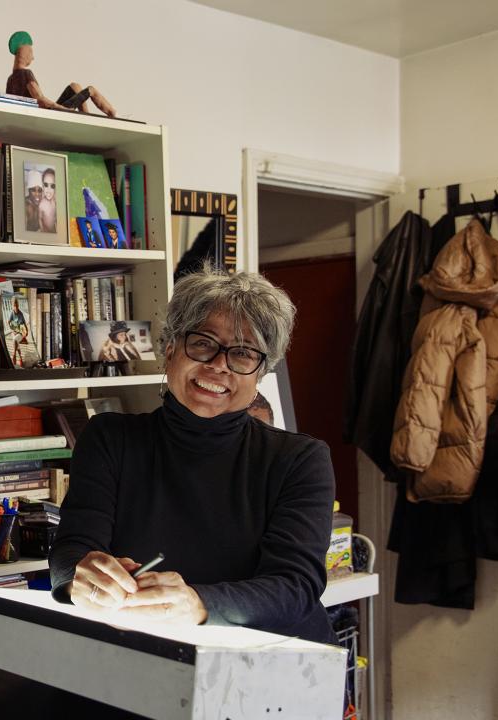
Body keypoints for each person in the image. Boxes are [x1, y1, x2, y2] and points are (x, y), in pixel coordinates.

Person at [49, 267, 336, 643]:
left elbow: (294, 587)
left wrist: (197, 604)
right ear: (170, 349)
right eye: (203, 343)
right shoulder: (110, 438)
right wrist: (80, 577)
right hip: (142, 655)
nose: (219, 365)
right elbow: (72, 549)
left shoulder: (301, 460)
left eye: (243, 353)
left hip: (272, 666)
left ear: (260, 372)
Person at [6, 31, 116, 117]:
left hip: (38, 115)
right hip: (47, 115)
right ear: (24, 54)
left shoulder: (10, 79)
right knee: (91, 90)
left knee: (75, 87)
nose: (33, 58)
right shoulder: (26, 74)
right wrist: (62, 108)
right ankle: (112, 114)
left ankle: (86, 117)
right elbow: (40, 99)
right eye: (31, 53)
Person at [39, 168, 58, 232]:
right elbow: (40, 219)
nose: (48, 190)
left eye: (52, 186)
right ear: (43, 186)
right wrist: (42, 230)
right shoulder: (41, 205)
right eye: (46, 185)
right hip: (46, 231)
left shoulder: (55, 201)